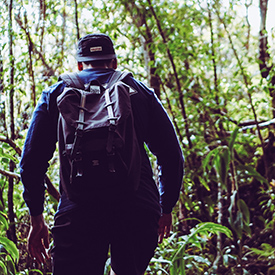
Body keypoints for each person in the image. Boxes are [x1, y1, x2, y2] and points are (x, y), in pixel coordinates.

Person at [20, 33, 184, 275]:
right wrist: (166, 206)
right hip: (137, 208)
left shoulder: (55, 94)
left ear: (79, 65)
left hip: (78, 210)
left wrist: (37, 218)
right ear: (114, 63)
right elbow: (171, 156)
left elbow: (31, 163)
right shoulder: (139, 92)